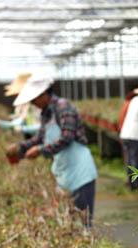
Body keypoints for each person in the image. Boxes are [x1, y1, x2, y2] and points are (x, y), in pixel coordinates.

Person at [6, 73, 98, 226]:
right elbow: (40, 137)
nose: (34, 104)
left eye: (34, 100)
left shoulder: (63, 107)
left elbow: (67, 137)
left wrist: (40, 150)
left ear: (43, 94)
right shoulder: (46, 113)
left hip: (80, 171)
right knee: (69, 220)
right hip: (65, 170)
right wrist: (21, 147)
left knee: (83, 220)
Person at [0, 72, 41, 138]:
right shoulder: (26, 105)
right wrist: (0, 123)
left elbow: (43, 127)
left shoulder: (38, 105)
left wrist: (22, 129)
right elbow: (20, 121)